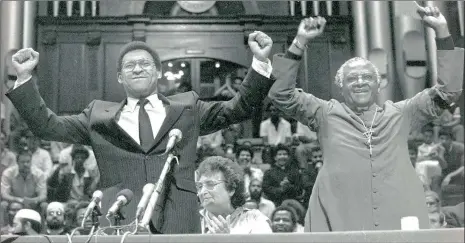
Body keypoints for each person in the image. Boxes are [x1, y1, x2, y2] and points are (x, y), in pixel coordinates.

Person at [6, 31, 274, 234]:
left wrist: (260, 62)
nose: (137, 68)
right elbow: (47, 126)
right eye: (129, 66)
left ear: (157, 72)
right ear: (120, 77)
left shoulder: (188, 107)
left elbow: (239, 108)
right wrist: (24, 78)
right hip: (119, 218)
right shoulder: (98, 115)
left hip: (178, 217)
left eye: (145, 64)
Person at [267, 7, 463, 232]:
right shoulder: (325, 113)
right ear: (340, 87)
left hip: (397, 206)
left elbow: (448, 91)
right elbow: (280, 94)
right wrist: (299, 41)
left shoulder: (401, 113)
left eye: (367, 77)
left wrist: (442, 30)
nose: (360, 81)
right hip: (338, 209)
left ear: (378, 84)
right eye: (352, 78)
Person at [196, 156, 272, 234]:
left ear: (231, 189)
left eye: (210, 184)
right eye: (200, 186)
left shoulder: (254, 219)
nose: (202, 191)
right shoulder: (190, 220)